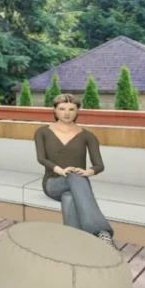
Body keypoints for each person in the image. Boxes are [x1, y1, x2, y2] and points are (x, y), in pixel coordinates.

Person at [34, 93, 116, 248]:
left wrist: (87, 172)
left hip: (78, 182)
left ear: (77, 110)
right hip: (53, 182)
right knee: (72, 177)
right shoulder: (42, 132)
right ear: (55, 110)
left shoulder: (88, 136)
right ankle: (101, 232)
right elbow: (41, 158)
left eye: (71, 109)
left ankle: (74, 243)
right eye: (62, 109)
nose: (66, 113)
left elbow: (99, 165)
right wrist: (60, 170)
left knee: (69, 196)